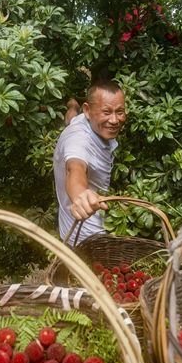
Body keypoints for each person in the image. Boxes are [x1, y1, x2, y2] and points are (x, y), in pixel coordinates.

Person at [53, 80, 126, 245]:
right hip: (86, 236)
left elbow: (70, 119)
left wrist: (72, 106)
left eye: (120, 111)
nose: (114, 120)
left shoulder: (81, 120)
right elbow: (75, 168)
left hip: (92, 225)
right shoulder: (78, 140)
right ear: (87, 110)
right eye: (106, 112)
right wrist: (80, 195)